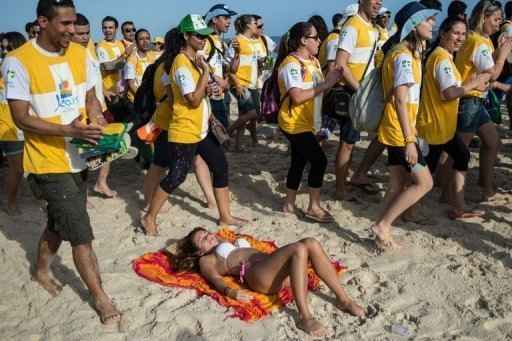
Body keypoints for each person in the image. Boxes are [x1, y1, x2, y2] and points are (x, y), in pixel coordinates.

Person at [2, 0, 120, 324]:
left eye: (75, 24)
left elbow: (89, 97)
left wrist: (95, 115)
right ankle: (101, 297)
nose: (73, 31)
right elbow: (21, 118)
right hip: (46, 163)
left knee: (58, 223)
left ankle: (41, 269)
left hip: (79, 156)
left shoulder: (80, 54)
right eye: (65, 24)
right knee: (81, 232)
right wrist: (67, 129)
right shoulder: (18, 61)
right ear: (42, 21)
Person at [142, 15, 246, 236]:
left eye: (205, 36)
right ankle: (149, 217)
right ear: (186, 36)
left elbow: (200, 93)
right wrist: (206, 75)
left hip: (201, 127)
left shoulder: (194, 60)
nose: (203, 40)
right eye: (198, 36)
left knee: (220, 166)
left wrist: (212, 88)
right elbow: (192, 99)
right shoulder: (180, 63)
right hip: (185, 129)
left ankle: (225, 216)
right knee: (176, 176)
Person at [174, 227, 365, 337]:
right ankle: (305, 317)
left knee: (311, 242)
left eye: (206, 232)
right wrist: (231, 292)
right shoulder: (206, 259)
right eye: (203, 239)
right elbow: (214, 280)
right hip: (258, 276)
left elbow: (226, 237)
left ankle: (343, 299)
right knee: (299, 248)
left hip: (274, 267)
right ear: (198, 251)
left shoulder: (225, 241)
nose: (209, 235)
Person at [371, 2, 439, 250]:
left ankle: (380, 228)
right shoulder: (403, 56)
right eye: (428, 20)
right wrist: (410, 140)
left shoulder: (408, 53)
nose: (433, 24)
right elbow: (400, 98)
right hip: (400, 131)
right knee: (425, 182)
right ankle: (383, 225)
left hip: (397, 127)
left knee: (397, 184)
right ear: (413, 24)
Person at [418, 17, 490, 220]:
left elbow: (451, 89)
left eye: (463, 34)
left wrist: (470, 84)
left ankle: (458, 205)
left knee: (462, 156)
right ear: (443, 34)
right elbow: (449, 93)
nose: (460, 38)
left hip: (443, 127)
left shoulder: (445, 57)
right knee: (423, 178)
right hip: (433, 127)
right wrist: (474, 83)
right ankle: (406, 212)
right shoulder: (441, 58)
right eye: (456, 33)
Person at [142, 28, 216, 212]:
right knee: (161, 164)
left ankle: (211, 199)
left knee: (197, 160)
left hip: (185, 124)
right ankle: (148, 203)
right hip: (168, 124)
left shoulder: (178, 63)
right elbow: (174, 97)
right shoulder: (167, 66)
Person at [276, 22, 343, 222]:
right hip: (294, 122)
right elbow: (297, 96)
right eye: (315, 37)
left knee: (299, 160)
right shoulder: (291, 64)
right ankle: (314, 206)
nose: (319, 41)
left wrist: (330, 81)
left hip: (308, 121)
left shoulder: (313, 62)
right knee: (319, 160)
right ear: (304, 40)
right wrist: (326, 84)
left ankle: (289, 203)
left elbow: (317, 92)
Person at [454, 0, 512, 201]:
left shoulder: (483, 39)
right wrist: (503, 55)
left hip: (477, 101)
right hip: (469, 100)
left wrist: (498, 50)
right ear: (483, 17)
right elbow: (493, 74)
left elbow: (486, 66)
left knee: (493, 142)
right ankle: (446, 192)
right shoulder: (478, 40)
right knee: (459, 151)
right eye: (496, 19)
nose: (499, 24)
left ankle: (485, 186)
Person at [334, 0, 381, 200]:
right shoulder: (352, 26)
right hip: (355, 92)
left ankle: (353, 177)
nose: (378, 2)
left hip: (367, 92)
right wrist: (361, 90)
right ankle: (340, 190)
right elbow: (341, 64)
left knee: (358, 140)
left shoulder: (373, 27)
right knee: (347, 143)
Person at [73, 13, 117, 198]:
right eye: (80, 34)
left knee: (108, 145)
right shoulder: (69, 56)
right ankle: (81, 195)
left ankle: (101, 182)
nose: (84, 37)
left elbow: (95, 77)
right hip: (82, 112)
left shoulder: (89, 47)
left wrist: (103, 93)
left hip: (100, 106)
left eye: (87, 33)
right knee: (81, 155)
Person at [227, 15, 265, 151]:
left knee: (244, 116)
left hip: (252, 83)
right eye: (255, 23)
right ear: (248, 25)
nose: (258, 26)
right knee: (253, 113)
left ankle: (238, 145)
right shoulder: (237, 40)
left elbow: (251, 62)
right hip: (241, 83)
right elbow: (230, 66)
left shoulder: (252, 41)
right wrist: (236, 84)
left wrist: (260, 63)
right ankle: (227, 132)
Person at [0, 31, 26, 215]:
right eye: (2, 48)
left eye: (8, 48)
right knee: (16, 169)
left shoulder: (25, 70)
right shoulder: (5, 71)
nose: (5, 52)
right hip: (8, 128)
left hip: (24, 125)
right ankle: (11, 203)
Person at [203, 3, 238, 128]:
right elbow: (198, 63)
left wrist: (237, 53)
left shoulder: (220, 42)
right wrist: (220, 81)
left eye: (229, 18)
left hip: (220, 94)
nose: (229, 22)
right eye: (225, 17)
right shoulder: (206, 40)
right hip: (210, 95)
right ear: (214, 19)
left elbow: (231, 69)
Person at [97, 16, 126, 108]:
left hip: (122, 89)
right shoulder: (101, 46)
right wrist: (125, 55)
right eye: (105, 28)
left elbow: (122, 66)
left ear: (116, 29)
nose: (107, 30)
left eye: (110, 27)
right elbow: (107, 67)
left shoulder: (120, 44)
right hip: (109, 90)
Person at [124, 29, 159, 103]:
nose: (145, 41)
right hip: (137, 101)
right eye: (141, 39)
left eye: (147, 38)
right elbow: (131, 84)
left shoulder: (153, 55)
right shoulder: (131, 60)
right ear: (136, 42)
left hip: (151, 100)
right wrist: (143, 99)